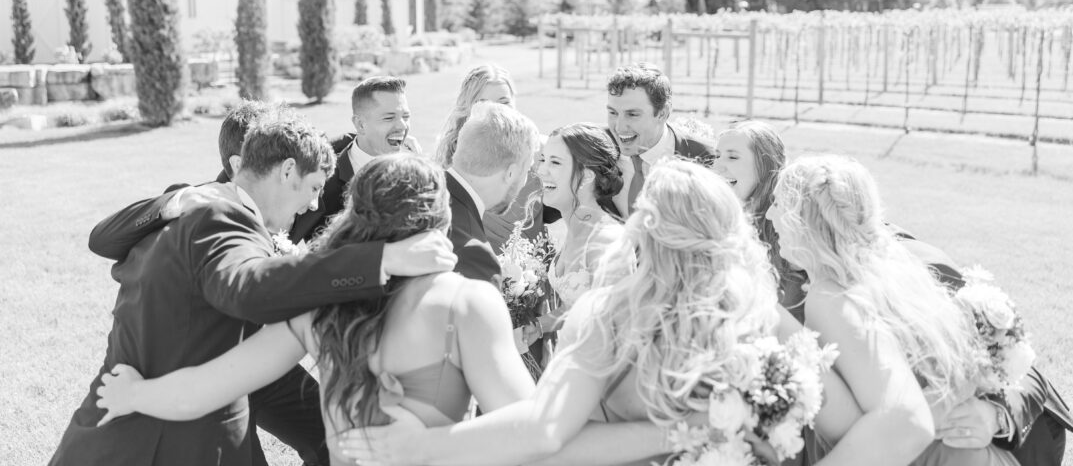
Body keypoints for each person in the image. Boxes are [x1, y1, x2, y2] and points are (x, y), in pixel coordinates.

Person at [95, 154, 665, 466]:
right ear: (440, 217)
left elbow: (204, 389)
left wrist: (134, 394)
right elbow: (535, 435)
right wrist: (666, 430)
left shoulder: (317, 309)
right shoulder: (466, 303)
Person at [340, 160, 857, 466]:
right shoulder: (762, 315)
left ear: (643, 230)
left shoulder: (609, 314)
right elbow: (840, 421)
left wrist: (423, 447)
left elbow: (546, 434)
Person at [50, 111, 456, 466]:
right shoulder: (218, 213)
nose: (314, 207)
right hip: (165, 440)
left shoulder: (210, 214)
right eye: (314, 188)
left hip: (141, 425)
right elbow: (246, 289)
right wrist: (378, 261)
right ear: (285, 171)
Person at [724, 122, 1073, 466]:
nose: (770, 213)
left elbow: (999, 356)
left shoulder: (871, 280)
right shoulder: (881, 278)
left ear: (809, 219)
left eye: (780, 205)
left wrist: (994, 412)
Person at [768, 155, 1018, 466]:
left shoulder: (831, 296)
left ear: (799, 218)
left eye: (777, 204)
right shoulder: (897, 273)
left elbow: (903, 421)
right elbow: (960, 380)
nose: (769, 213)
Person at [292, 76, 419, 243]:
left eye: (406, 116)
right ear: (360, 125)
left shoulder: (415, 172)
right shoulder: (322, 181)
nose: (402, 126)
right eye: (389, 118)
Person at [435, 64, 544, 251]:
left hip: (532, 264)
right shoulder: (450, 155)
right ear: (467, 106)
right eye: (482, 102)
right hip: (477, 259)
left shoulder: (538, 149)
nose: (495, 111)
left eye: (503, 102)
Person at [536, 123, 629, 334]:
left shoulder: (606, 243)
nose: (541, 170)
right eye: (543, 160)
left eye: (555, 162)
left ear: (587, 176)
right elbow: (582, 306)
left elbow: (616, 327)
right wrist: (540, 327)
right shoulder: (576, 226)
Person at [712, 120, 807, 320]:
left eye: (732, 157)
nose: (717, 167)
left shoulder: (791, 235)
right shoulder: (716, 225)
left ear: (765, 164)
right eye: (717, 156)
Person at [446, 101, 539, 284]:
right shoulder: (476, 259)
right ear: (510, 173)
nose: (526, 179)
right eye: (527, 169)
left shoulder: (404, 189)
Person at [605, 63, 714, 216]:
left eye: (633, 114)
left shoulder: (705, 158)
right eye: (613, 113)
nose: (619, 127)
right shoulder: (593, 147)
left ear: (662, 113)